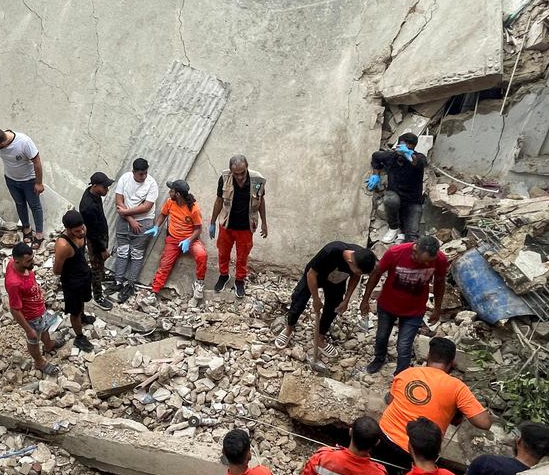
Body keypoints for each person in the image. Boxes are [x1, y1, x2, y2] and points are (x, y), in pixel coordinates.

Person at [375, 337, 491, 475]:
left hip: (384, 436)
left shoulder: (407, 373)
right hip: (418, 452)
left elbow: (390, 401)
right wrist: (456, 408)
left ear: (428, 356)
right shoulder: (457, 387)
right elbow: (485, 423)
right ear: (452, 362)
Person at [274, 242, 377, 373]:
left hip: (336, 281)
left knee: (334, 307)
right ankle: (289, 329)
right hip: (315, 276)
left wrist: (346, 300)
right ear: (351, 262)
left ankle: (320, 338)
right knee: (298, 301)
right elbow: (311, 274)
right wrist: (316, 299)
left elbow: (355, 277)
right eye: (359, 271)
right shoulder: (331, 251)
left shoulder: (361, 259)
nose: (359, 274)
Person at [361, 235, 448, 376]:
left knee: (404, 345)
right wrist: (365, 300)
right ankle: (379, 359)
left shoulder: (440, 260)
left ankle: (401, 376)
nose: (426, 265)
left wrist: (437, 308)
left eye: (428, 262)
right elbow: (376, 274)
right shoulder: (395, 252)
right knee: (382, 336)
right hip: (387, 305)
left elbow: (439, 283)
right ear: (415, 250)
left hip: (414, 310)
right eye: (423, 261)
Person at [209, 154, 268, 299]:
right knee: (223, 253)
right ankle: (224, 275)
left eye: (242, 173)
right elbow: (218, 201)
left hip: (246, 227)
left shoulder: (257, 180)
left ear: (247, 167)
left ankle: (239, 280)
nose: (240, 177)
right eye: (236, 174)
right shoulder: (224, 178)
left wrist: (265, 223)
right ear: (231, 171)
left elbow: (261, 201)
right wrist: (212, 222)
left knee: (242, 256)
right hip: (227, 225)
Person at [4, 242, 60, 376]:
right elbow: (15, 309)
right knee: (33, 340)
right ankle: (39, 362)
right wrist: (28, 330)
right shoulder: (14, 283)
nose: (32, 262)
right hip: (31, 316)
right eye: (28, 261)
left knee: (45, 327)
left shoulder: (14, 261)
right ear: (17, 261)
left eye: (32, 258)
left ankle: (48, 344)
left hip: (39, 308)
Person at [148, 180, 207, 299]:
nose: (169, 192)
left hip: (190, 240)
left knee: (202, 255)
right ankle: (154, 292)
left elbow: (198, 229)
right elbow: (163, 215)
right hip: (173, 239)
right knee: (164, 264)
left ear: (178, 194)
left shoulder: (193, 209)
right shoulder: (170, 202)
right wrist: (156, 226)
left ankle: (200, 283)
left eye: (171, 191)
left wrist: (189, 240)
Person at [111, 159, 159, 304]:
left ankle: (130, 284)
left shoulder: (151, 184)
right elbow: (118, 200)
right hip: (126, 220)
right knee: (123, 251)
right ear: (133, 172)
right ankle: (118, 281)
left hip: (143, 221)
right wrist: (130, 218)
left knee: (137, 254)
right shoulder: (125, 178)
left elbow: (146, 207)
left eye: (145, 173)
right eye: (140, 174)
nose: (143, 176)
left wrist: (125, 212)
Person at [366, 132, 427, 244]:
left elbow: (417, 162)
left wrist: (409, 155)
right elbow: (375, 157)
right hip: (394, 194)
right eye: (402, 147)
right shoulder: (390, 157)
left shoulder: (419, 158)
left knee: (412, 237)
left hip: (412, 201)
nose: (402, 151)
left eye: (408, 148)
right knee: (390, 199)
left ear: (413, 148)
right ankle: (393, 228)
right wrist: (376, 175)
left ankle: (403, 235)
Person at [52, 210, 96, 353]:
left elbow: (85, 247)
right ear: (69, 230)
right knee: (74, 311)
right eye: (77, 231)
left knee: (83, 300)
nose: (82, 232)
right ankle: (79, 337)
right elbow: (57, 270)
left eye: (82, 228)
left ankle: (82, 317)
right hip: (71, 282)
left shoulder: (83, 230)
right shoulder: (63, 245)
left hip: (84, 275)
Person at [79, 172, 114, 311]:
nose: (107, 190)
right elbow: (92, 234)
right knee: (96, 266)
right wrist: (103, 249)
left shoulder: (94, 194)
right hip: (95, 241)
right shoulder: (88, 206)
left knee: (100, 264)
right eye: (105, 187)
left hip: (100, 235)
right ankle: (98, 295)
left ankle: (101, 277)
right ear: (95, 186)